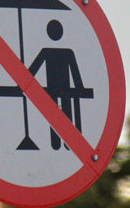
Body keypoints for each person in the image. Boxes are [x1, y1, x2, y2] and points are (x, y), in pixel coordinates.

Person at [28, 20, 86, 150]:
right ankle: (61, 144)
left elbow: (30, 73)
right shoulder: (65, 53)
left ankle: (61, 144)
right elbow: (76, 74)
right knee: (62, 115)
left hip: (57, 90)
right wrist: (80, 88)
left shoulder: (48, 52)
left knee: (57, 116)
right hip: (62, 90)